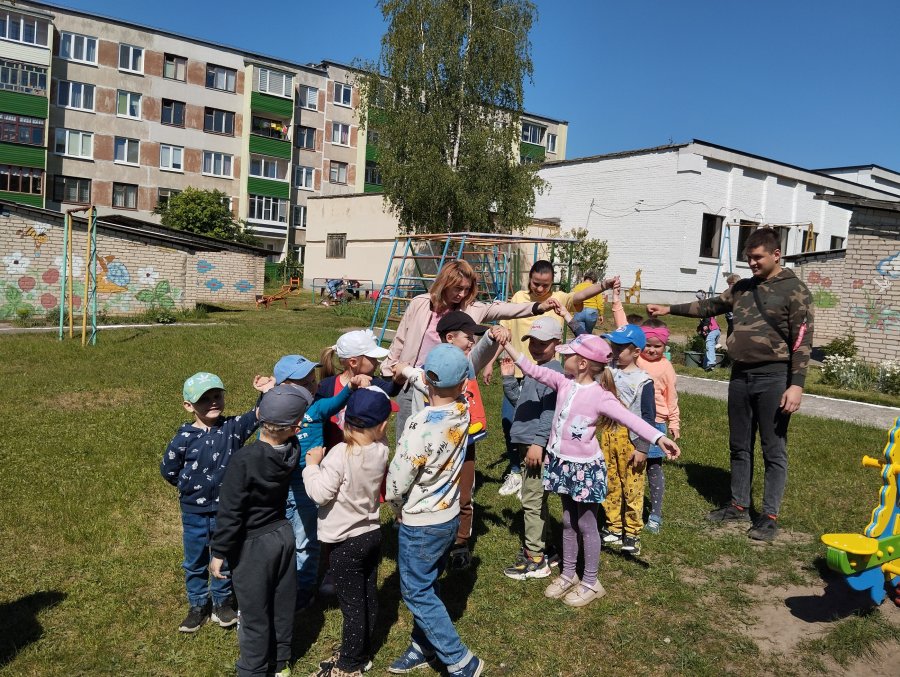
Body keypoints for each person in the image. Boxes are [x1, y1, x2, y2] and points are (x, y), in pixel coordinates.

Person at [647, 227, 814, 542]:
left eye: (757, 257)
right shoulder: (743, 288)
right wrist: (669, 309)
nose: (752, 263)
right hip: (740, 375)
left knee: (772, 448)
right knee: (739, 445)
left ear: (776, 255)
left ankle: (769, 515)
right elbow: (710, 306)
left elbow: (803, 341)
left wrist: (797, 385)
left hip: (774, 377)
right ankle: (738, 505)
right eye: (749, 258)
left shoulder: (795, 290)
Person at [496, 333, 680, 607]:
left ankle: (592, 581)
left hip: (585, 469)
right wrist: (506, 344)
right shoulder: (562, 382)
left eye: (568, 354)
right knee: (569, 520)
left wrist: (658, 438)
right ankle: (569, 573)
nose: (563, 357)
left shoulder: (600, 396)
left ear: (582, 363)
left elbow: (631, 419)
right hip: (561, 464)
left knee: (586, 523)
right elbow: (530, 368)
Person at [385, 344, 484, 677]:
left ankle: (460, 660)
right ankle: (422, 644)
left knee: (416, 590)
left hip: (420, 523)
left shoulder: (419, 424)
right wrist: (410, 372)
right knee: (428, 582)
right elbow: (430, 380)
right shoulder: (463, 408)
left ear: (427, 381)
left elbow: (398, 479)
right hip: (449, 517)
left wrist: (396, 507)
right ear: (462, 385)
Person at [381, 259, 560, 440]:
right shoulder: (420, 303)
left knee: (440, 440)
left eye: (467, 289)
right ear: (445, 283)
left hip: (448, 387)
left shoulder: (471, 309)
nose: (462, 294)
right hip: (412, 381)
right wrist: (390, 371)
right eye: (458, 288)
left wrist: (538, 307)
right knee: (407, 437)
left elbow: (506, 309)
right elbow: (401, 338)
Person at [392, 311, 508, 570]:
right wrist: (402, 368)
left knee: (464, 493)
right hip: (431, 449)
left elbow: (479, 354)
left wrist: (490, 337)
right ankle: (419, 531)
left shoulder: (466, 366)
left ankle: (460, 542)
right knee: (425, 489)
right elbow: (417, 379)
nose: (472, 343)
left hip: (463, 445)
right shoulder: (429, 373)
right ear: (449, 337)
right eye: (469, 337)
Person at [160, 371, 273, 633]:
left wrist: (265, 393)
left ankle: (223, 602)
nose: (213, 402)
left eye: (217, 396)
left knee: (224, 555)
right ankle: (198, 604)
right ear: (189, 406)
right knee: (195, 559)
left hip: (228, 510)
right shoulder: (184, 437)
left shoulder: (232, 428)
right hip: (194, 512)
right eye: (204, 399)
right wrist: (188, 486)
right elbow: (168, 468)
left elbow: (258, 414)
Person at [209, 384, 310, 677]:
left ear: (260, 418)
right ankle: (281, 663)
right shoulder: (293, 449)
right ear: (294, 427)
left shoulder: (244, 459)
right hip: (282, 534)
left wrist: (219, 552)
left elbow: (230, 512)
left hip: (253, 545)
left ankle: (252, 670)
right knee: (282, 603)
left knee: (254, 614)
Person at [495, 261, 617, 499]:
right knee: (510, 421)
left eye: (545, 285)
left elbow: (581, 294)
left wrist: (604, 285)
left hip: (547, 373)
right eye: (536, 284)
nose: (540, 289)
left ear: (552, 283)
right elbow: (505, 328)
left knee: (546, 420)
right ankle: (516, 471)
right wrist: (491, 363)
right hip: (519, 369)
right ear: (528, 279)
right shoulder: (519, 297)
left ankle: (538, 474)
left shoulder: (559, 297)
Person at [303, 388, 392, 677]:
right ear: (381, 426)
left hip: (345, 543)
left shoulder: (340, 454)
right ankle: (362, 652)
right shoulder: (381, 450)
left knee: (352, 606)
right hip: (371, 534)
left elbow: (319, 493)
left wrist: (312, 466)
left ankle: (350, 665)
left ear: (345, 421)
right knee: (367, 596)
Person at [271, 354, 371, 611]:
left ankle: (304, 589)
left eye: (312, 380)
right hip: (279, 485)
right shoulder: (277, 412)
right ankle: (283, 581)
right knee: (282, 539)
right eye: (304, 383)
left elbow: (337, 402)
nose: (313, 385)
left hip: (308, 486)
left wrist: (350, 387)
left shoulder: (316, 408)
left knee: (306, 541)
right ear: (282, 388)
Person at [500, 316, 566, 580]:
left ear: (557, 344)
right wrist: (507, 381)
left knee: (531, 500)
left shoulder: (552, 373)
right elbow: (522, 404)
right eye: (532, 342)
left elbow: (550, 413)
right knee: (536, 498)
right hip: (528, 445)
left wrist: (539, 444)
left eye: (543, 343)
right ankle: (547, 548)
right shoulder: (536, 369)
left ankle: (535, 558)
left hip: (536, 448)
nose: (536, 347)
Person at [613, 286, 681, 535]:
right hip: (632, 422)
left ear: (665, 346)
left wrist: (674, 423)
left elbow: (671, 397)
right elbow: (624, 330)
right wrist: (617, 301)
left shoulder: (666, 368)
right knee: (630, 465)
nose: (653, 350)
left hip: (657, 424)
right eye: (649, 345)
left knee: (653, 469)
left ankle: (655, 513)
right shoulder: (637, 358)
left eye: (658, 346)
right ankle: (627, 507)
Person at [598, 324, 655, 556]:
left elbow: (649, 417)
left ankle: (631, 532)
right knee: (609, 483)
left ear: (636, 352)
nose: (615, 350)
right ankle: (612, 527)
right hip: (608, 435)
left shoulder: (644, 380)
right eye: (614, 345)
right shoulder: (608, 369)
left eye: (621, 347)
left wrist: (643, 448)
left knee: (632, 487)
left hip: (630, 441)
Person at [571, 270, 605, 334]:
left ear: (585, 278)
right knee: (588, 334)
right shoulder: (595, 288)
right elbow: (600, 302)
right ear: (593, 280)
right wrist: (601, 314)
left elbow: (572, 299)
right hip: (592, 312)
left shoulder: (577, 287)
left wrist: (572, 313)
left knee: (580, 334)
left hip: (579, 311)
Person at [695, 290, 721, 371]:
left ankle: (711, 362)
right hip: (716, 331)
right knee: (709, 347)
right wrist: (699, 328)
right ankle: (707, 365)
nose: (698, 300)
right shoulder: (703, 307)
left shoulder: (705, 307)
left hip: (713, 330)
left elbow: (707, 317)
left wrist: (706, 325)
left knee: (709, 344)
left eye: (699, 298)